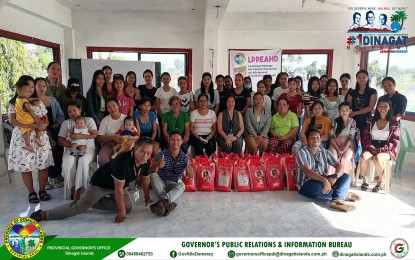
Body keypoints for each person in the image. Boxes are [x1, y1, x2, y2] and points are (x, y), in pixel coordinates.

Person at [30, 137, 155, 223]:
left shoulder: (146, 162)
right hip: (100, 184)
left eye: (148, 153)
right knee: (80, 207)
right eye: (142, 151)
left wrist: (147, 197)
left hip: (117, 186)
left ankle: (88, 198)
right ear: (135, 148)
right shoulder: (123, 161)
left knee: (128, 207)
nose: (145, 156)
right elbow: (118, 190)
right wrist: (121, 212)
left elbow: (145, 180)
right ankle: (45, 214)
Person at [8, 75, 53, 203]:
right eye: (28, 87)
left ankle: (42, 190)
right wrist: (31, 126)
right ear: (20, 89)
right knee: (25, 166)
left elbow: (46, 120)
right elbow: (12, 120)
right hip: (23, 136)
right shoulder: (15, 102)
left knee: (43, 164)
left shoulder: (39, 102)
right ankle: (31, 192)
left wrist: (44, 125)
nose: (31, 89)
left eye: (32, 87)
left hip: (40, 136)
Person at [296, 128, 360, 212]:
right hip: (306, 183)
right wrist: (324, 180)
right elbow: (307, 171)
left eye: (318, 137)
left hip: (324, 180)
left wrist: (334, 177)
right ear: (307, 140)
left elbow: (339, 166)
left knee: (346, 177)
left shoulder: (325, 152)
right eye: (312, 137)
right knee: (319, 188)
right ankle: (342, 195)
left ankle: (336, 200)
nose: (315, 139)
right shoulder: (302, 152)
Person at [58, 102, 97, 201]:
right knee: (68, 161)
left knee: (83, 161)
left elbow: (95, 134)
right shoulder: (66, 123)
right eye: (69, 112)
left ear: (80, 109)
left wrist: (75, 136)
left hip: (88, 149)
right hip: (72, 148)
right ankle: (72, 188)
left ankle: (80, 188)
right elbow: (60, 141)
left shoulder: (89, 120)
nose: (72, 113)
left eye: (74, 110)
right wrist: (73, 145)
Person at [360, 98, 399, 193]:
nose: (383, 108)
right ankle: (365, 180)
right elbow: (365, 136)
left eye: (385, 106)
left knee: (377, 158)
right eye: (380, 106)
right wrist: (370, 147)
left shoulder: (393, 122)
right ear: (377, 108)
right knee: (363, 157)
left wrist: (382, 149)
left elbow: (394, 141)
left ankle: (381, 181)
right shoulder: (371, 120)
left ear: (389, 108)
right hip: (371, 146)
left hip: (387, 149)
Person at [149, 132, 194, 216]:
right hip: (161, 183)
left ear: (181, 142)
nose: (175, 142)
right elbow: (152, 171)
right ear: (169, 140)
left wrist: (189, 171)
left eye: (178, 140)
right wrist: (157, 164)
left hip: (174, 184)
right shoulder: (161, 154)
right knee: (153, 175)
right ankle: (168, 202)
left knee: (182, 185)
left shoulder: (185, 157)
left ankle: (162, 202)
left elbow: (190, 176)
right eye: (172, 140)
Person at [34, 77, 65, 190]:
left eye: (44, 86)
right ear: (34, 87)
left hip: (54, 130)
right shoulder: (31, 101)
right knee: (43, 155)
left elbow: (61, 115)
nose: (41, 88)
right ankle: (46, 179)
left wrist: (57, 124)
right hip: (39, 132)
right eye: (39, 85)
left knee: (57, 153)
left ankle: (56, 176)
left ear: (46, 87)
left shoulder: (52, 100)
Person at [14, 80, 44, 153]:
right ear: (19, 91)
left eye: (29, 91)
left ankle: (28, 144)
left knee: (26, 132)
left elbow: (28, 99)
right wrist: (36, 119)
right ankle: (37, 138)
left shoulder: (18, 99)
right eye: (26, 91)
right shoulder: (25, 102)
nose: (28, 93)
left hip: (21, 119)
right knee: (38, 126)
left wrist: (35, 98)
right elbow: (30, 111)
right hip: (28, 119)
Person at [328, 102, 357, 175]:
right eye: (342, 110)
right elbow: (331, 137)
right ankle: (331, 178)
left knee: (345, 159)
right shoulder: (335, 121)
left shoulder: (352, 122)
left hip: (348, 146)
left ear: (350, 110)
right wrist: (337, 150)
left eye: (346, 109)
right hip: (335, 145)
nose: (344, 111)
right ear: (339, 111)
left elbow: (351, 138)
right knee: (333, 157)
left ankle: (343, 179)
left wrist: (343, 150)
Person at [347, 69, 377, 136]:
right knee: (352, 139)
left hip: (366, 120)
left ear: (368, 78)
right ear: (356, 79)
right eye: (359, 77)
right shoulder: (352, 92)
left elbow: (370, 107)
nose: (361, 79)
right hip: (353, 120)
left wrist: (355, 113)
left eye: (364, 77)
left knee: (364, 140)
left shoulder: (372, 91)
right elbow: (348, 106)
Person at [97, 98, 127, 166]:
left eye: (114, 106)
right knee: (103, 159)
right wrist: (113, 137)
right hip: (108, 144)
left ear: (118, 105)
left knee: (125, 160)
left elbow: (134, 133)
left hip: (124, 144)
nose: (112, 109)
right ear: (107, 109)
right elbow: (99, 138)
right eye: (109, 107)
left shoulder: (126, 118)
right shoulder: (105, 120)